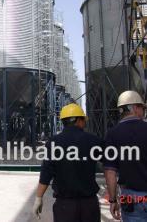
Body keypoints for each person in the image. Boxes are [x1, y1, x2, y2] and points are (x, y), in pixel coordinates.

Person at [32, 103, 102, 222]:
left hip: (65, 206)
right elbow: (110, 167)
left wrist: (39, 197)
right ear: (78, 120)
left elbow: (46, 173)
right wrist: (113, 197)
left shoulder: (54, 142)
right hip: (89, 204)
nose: (84, 123)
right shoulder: (93, 140)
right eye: (83, 120)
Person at [104, 90, 147, 221]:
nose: (144, 112)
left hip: (130, 197)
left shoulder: (112, 134)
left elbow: (110, 171)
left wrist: (112, 200)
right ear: (134, 108)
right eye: (142, 108)